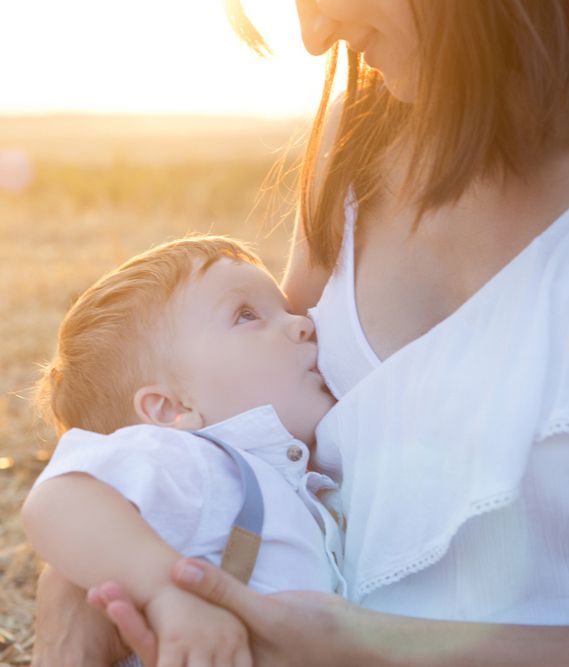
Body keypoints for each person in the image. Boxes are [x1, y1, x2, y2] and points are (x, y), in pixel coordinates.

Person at [32, 1, 569, 665]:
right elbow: (142, 458)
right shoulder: (351, 147)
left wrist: (378, 650)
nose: (312, 38)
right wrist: (82, 589)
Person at [22, 235, 344, 666]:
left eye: (285, 310)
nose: (303, 324)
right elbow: (57, 501)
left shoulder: (299, 483)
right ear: (172, 408)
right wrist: (164, 589)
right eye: (247, 315)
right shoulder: (194, 459)